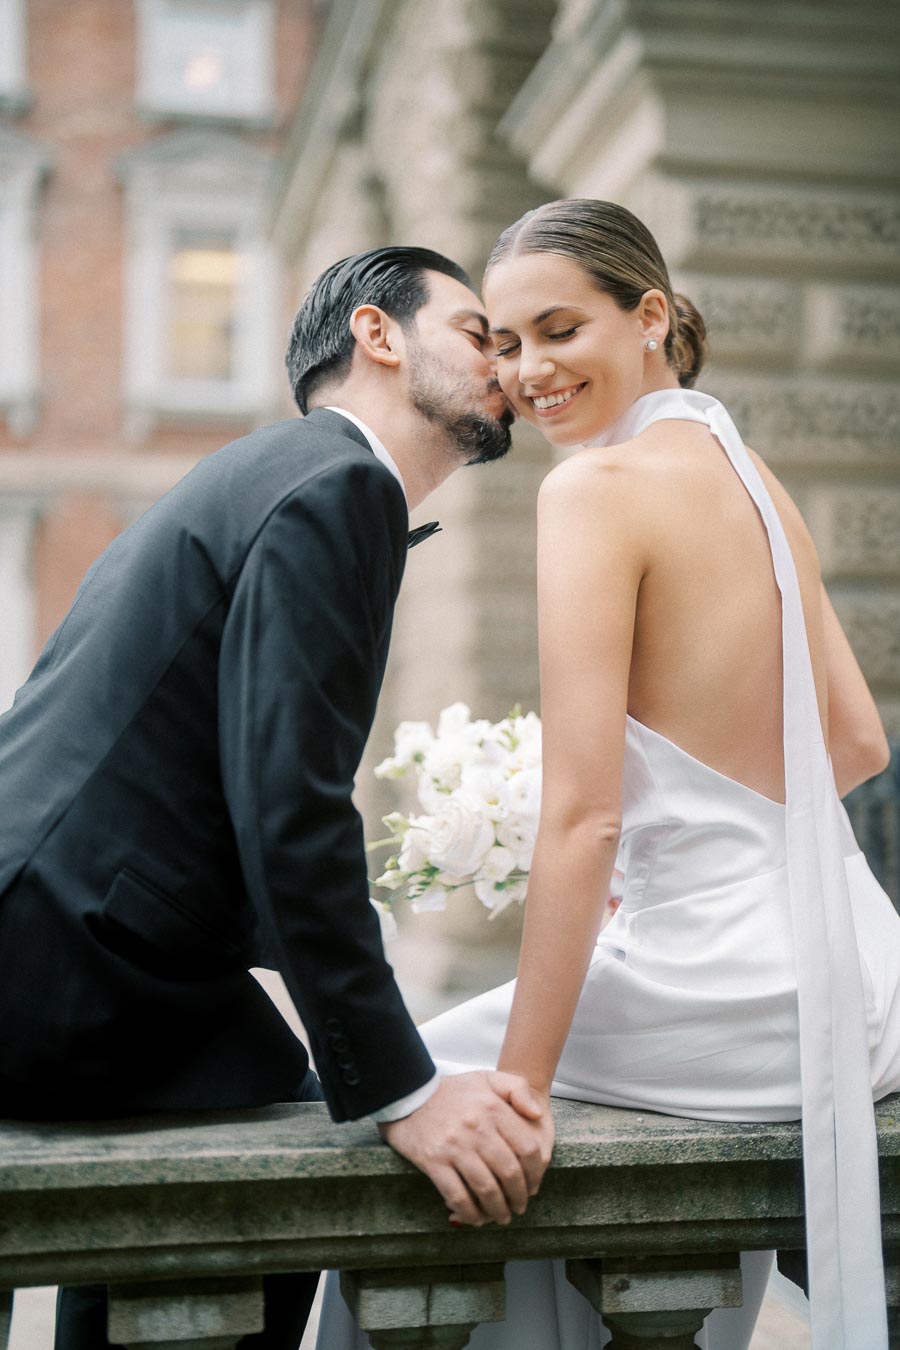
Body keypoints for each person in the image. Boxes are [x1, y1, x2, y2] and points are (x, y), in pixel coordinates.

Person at [317, 202, 900, 1350]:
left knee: (427, 1087)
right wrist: (704, 825)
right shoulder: (751, 475)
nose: (529, 371)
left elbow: (583, 821)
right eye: (506, 344)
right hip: (859, 981)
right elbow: (860, 743)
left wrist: (523, 1090)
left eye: (559, 330)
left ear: (649, 317)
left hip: (729, 994)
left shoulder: (591, 491)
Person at [0, 245, 553, 1350]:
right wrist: (404, 1089)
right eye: (479, 332)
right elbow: (286, 798)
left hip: (48, 928)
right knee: (299, 1143)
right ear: (378, 334)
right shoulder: (338, 486)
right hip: (69, 961)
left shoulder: (269, 471)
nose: (509, 363)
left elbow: (185, 771)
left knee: (277, 1097)